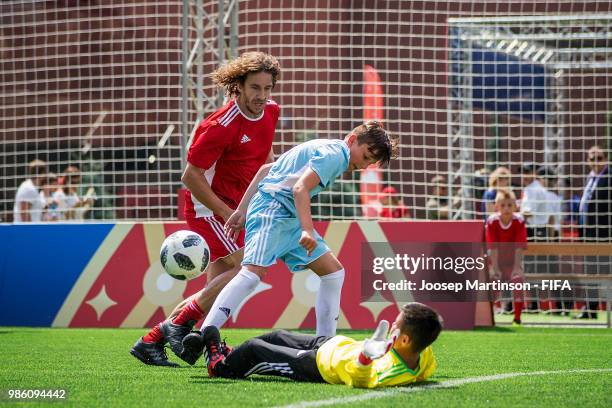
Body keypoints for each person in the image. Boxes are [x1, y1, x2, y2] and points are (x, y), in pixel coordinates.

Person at [179, 120, 397, 365]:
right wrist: (307, 229)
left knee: (333, 272)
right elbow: (300, 189)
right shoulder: (337, 155)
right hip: (273, 210)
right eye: (366, 155)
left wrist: (241, 210)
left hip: (287, 215)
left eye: (370, 162)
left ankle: (324, 344)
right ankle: (203, 334)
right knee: (252, 273)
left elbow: (266, 170)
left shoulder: (325, 147)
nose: (364, 165)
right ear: (353, 139)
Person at [131, 52, 281, 367]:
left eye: (268, 88)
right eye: (255, 87)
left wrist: (260, 200)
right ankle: (179, 328)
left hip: (237, 210)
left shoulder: (271, 112)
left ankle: (153, 340)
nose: (262, 96)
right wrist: (229, 215)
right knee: (249, 266)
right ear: (237, 86)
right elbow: (190, 176)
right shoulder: (218, 125)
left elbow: (265, 159)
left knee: (215, 290)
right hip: (207, 210)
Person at [186, 302, 441, 388]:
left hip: (315, 364)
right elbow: (425, 365)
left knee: (255, 348)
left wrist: (364, 357)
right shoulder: (422, 353)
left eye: (396, 326)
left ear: (406, 340)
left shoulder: (390, 371)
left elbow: (361, 380)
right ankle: (232, 355)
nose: (391, 328)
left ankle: (220, 365)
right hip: (335, 344)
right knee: (276, 335)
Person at [576, 145, 610, 319]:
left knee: (605, 271)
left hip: (604, 234)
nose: (595, 162)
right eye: (592, 158)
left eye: (599, 158)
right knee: (590, 270)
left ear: (606, 158)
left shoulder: (609, 177)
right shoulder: (590, 178)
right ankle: (590, 309)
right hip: (587, 233)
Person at [485, 189, 528, 325]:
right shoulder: (492, 221)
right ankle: (489, 317)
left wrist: (516, 267)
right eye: (503, 205)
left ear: (515, 206)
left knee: (517, 280)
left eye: (510, 205)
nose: (506, 208)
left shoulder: (519, 221)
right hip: (496, 262)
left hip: (512, 263)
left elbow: (519, 246)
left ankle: (517, 318)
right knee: (493, 282)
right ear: (497, 206)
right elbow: (493, 247)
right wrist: (495, 268)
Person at [518, 163, 549, 241]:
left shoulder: (533, 189)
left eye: (527, 172)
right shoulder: (533, 187)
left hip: (535, 231)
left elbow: (529, 213)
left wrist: (511, 215)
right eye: (522, 172)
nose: (524, 175)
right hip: (538, 230)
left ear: (534, 173)